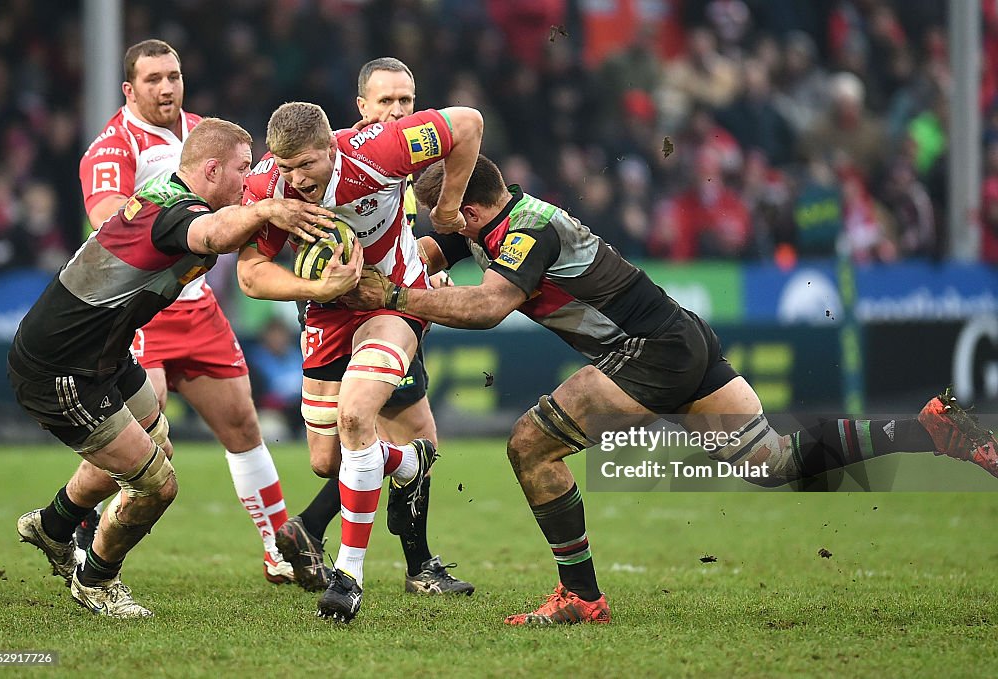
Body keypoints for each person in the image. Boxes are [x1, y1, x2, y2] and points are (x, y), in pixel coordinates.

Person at [344, 154, 998, 625]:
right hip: (679, 338)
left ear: (469, 201)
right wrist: (386, 263)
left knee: (529, 446)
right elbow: (433, 248)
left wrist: (397, 296)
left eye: (444, 210)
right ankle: (931, 429)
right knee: (774, 462)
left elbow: (489, 306)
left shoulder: (527, 228)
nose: (440, 223)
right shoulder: (488, 219)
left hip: (646, 351)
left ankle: (581, 595)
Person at [13, 118, 355, 617]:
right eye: (243, 169)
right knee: (157, 483)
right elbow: (212, 233)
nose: (249, 181)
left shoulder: (170, 195)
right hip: (61, 368)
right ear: (211, 169)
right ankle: (97, 578)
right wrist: (268, 209)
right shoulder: (176, 211)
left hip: (104, 355)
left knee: (157, 447)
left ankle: (55, 524)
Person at [237, 99, 483, 622]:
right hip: (326, 315)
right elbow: (251, 273)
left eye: (306, 164)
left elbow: (467, 124)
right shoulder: (269, 190)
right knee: (328, 462)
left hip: (392, 301)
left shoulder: (378, 150)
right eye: (285, 167)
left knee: (355, 417)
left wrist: (446, 209)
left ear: (331, 146)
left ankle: (349, 576)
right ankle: (408, 462)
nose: (297, 179)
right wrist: (314, 286)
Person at [77, 39, 294, 584]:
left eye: (173, 75)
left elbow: (247, 193)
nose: (167, 87)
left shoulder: (203, 135)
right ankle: (83, 538)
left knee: (244, 424)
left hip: (196, 305)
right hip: (139, 310)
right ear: (129, 89)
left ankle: (279, 548)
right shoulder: (112, 147)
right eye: (152, 79)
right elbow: (111, 226)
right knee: (143, 442)